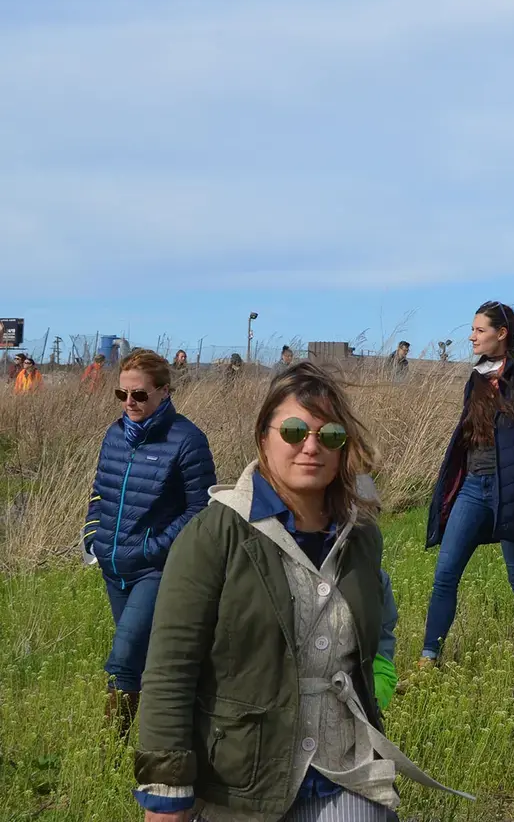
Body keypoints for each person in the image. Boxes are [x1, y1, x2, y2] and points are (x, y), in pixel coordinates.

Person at [134, 361, 469, 820]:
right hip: (240, 784)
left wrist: (380, 685)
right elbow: (170, 668)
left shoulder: (362, 537)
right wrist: (167, 791)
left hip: (343, 772)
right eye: (293, 431)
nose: (310, 446)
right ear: (264, 439)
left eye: (329, 435)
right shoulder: (216, 534)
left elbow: (381, 631)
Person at [81, 349, 215, 738]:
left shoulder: (187, 440)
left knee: (122, 661)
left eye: (139, 395)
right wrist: (94, 536)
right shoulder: (114, 433)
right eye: (121, 395)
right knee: (147, 657)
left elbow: (200, 508)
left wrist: (153, 549)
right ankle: (173, 732)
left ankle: (109, 753)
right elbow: (99, 492)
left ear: (164, 392)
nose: (129, 403)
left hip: (153, 570)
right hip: (112, 566)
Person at [423, 302, 514, 687]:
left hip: (512, 492)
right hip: (473, 488)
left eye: (479, 330)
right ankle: (428, 661)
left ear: (502, 333)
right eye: (472, 329)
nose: (472, 336)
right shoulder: (477, 377)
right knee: (445, 574)